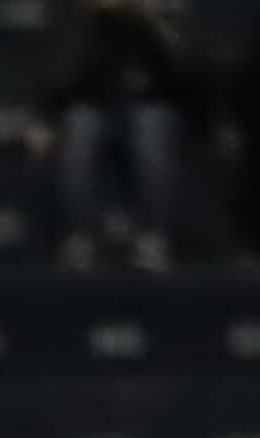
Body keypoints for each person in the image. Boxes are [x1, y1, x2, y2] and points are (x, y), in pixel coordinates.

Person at [38, 0, 204, 268]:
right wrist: (92, 22)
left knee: (150, 128)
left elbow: (189, 75)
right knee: (80, 126)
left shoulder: (166, 14)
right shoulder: (86, 20)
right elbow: (63, 78)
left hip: (153, 104)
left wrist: (154, 22)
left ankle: (154, 237)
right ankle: (80, 235)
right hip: (97, 104)